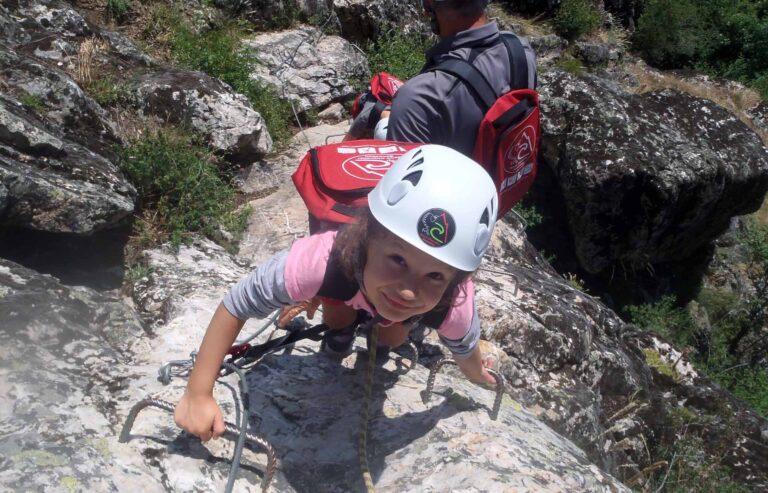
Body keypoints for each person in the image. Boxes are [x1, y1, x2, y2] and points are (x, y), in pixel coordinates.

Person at [174, 145, 499, 441]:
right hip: (348, 280)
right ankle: (339, 338)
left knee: (393, 338)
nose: (409, 290)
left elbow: (464, 344)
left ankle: (374, 340)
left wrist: (475, 373)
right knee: (338, 315)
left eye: (435, 275)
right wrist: (198, 391)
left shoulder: (450, 303)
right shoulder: (323, 262)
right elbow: (238, 303)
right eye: (398, 259)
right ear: (368, 237)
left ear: (456, 280)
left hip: (371, 289)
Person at [346, 0, 537, 157]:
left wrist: (395, 113)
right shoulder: (521, 49)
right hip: (504, 179)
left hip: (454, 196)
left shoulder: (419, 96)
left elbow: (407, 193)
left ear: (429, 7)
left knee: (375, 114)